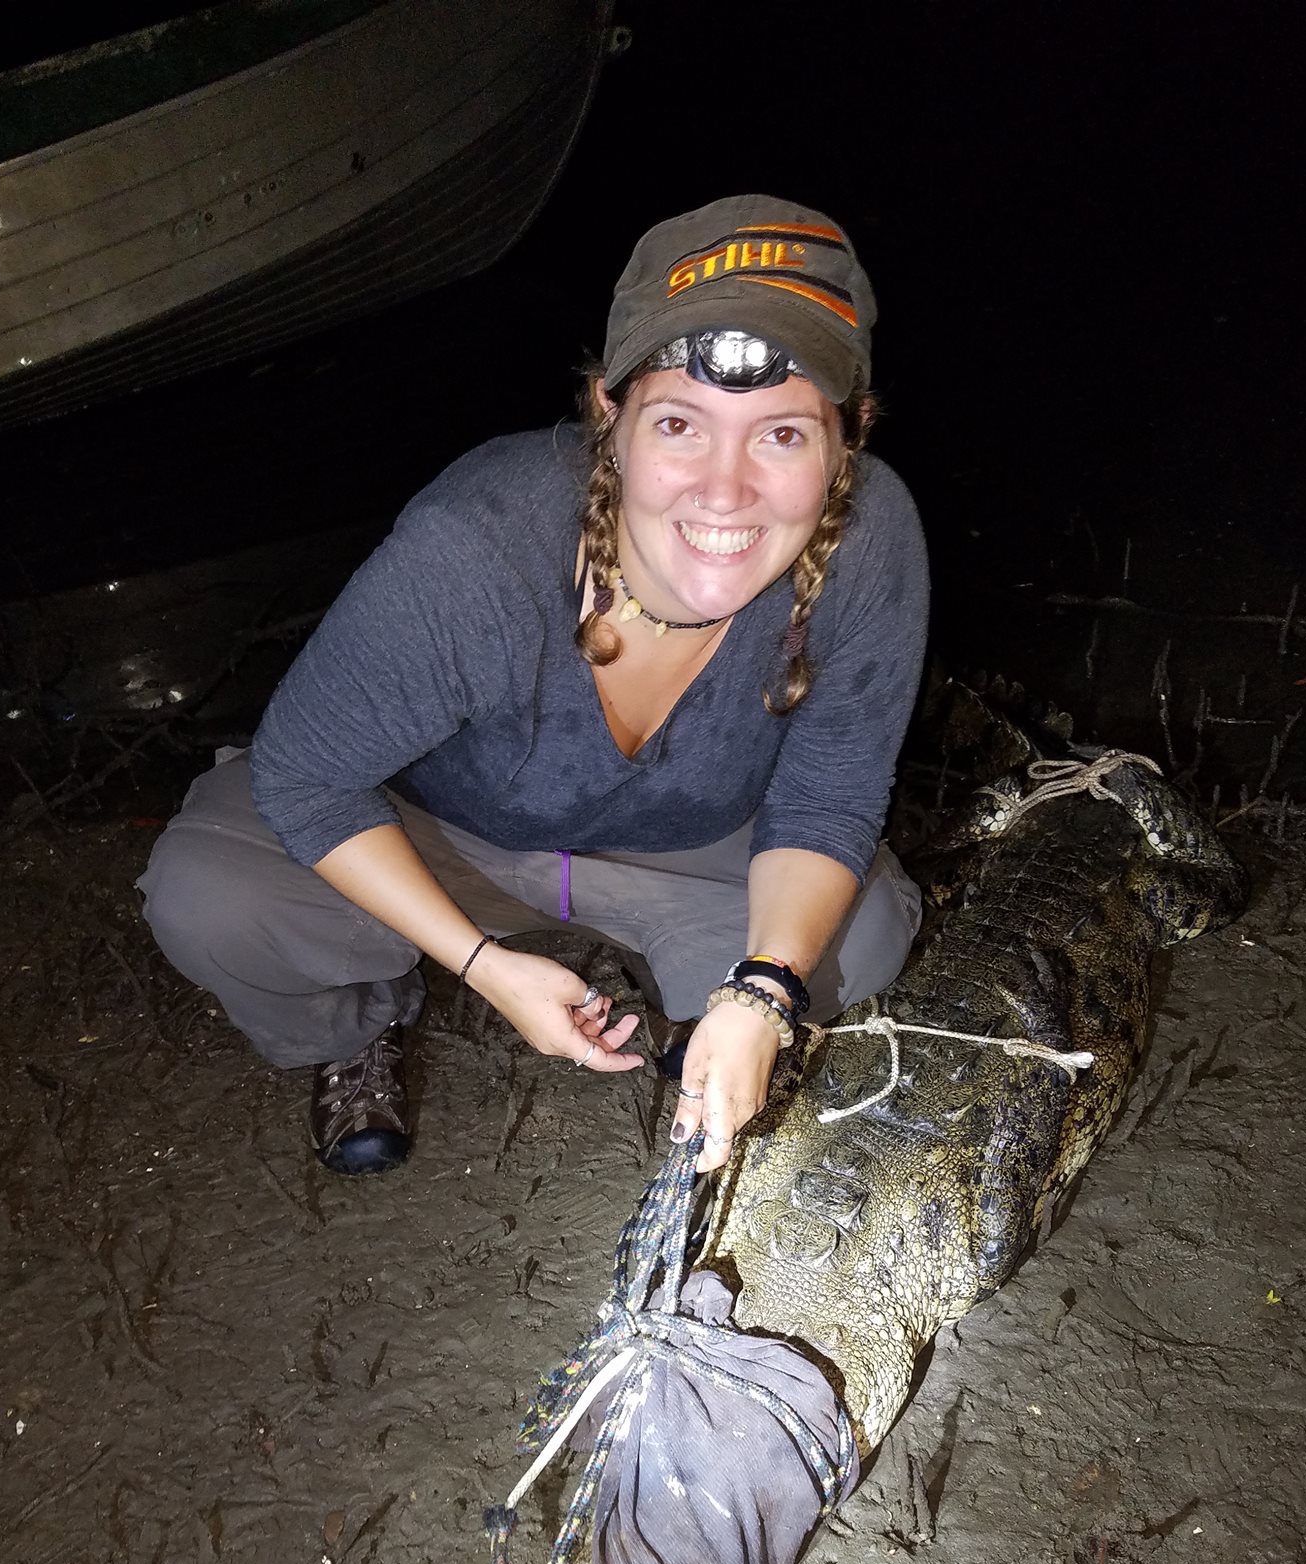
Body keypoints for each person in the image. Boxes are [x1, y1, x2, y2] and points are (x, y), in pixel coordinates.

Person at [138, 195, 928, 1177]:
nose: (725, 491)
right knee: (208, 891)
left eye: (782, 435)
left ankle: (711, 1012)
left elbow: (828, 799)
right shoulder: (477, 549)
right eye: (680, 422)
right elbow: (304, 776)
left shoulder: (873, 539)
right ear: (611, 413)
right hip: (432, 828)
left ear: (848, 438)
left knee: (867, 929)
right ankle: (359, 1018)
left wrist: (765, 987)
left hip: (684, 849)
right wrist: (484, 965)